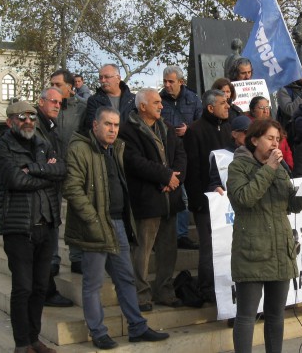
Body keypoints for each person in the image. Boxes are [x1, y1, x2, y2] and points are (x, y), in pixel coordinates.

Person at [63, 107, 169, 349]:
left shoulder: (116, 148)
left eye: (116, 125)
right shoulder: (80, 148)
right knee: (93, 283)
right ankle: (98, 332)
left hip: (118, 223)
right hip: (94, 226)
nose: (112, 129)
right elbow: (72, 189)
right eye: (108, 124)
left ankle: (137, 327)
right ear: (95, 126)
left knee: (125, 278)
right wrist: (93, 219)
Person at [227, 118, 302, 353]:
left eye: (278, 139)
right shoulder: (238, 166)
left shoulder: (280, 168)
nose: (274, 143)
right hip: (252, 250)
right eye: (270, 138)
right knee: (247, 315)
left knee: (275, 314)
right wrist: (269, 168)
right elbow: (244, 199)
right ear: (254, 140)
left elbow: (292, 204)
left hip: (280, 249)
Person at [0, 101, 65, 353]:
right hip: (19, 228)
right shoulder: (2, 146)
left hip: (46, 225)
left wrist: (34, 169)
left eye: (32, 117)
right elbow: (14, 179)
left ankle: (34, 338)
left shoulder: (42, 144)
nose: (28, 121)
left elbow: (61, 169)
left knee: (40, 287)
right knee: (23, 288)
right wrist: (47, 177)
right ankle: (22, 344)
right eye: (21, 117)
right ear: (9, 121)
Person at [118, 88, 186, 311]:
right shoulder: (128, 130)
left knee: (168, 250)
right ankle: (141, 295)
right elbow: (134, 162)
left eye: (160, 102)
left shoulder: (165, 127)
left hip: (170, 199)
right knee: (143, 251)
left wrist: (175, 177)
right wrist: (165, 177)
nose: (161, 105)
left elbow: (180, 155)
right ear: (143, 106)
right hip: (148, 200)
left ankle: (164, 291)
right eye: (156, 102)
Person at [183, 89, 233, 302]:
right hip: (206, 202)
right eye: (223, 103)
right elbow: (192, 170)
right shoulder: (195, 131)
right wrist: (199, 202)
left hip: (230, 201)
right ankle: (206, 289)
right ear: (211, 107)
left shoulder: (230, 128)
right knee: (209, 249)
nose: (228, 106)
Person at [33, 87, 74, 308]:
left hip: (50, 195)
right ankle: (46, 293)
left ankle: (46, 291)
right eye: (53, 101)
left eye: (60, 102)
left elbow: (58, 165)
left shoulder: (51, 128)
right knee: (43, 251)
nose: (57, 105)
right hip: (38, 201)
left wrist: (53, 166)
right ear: (41, 102)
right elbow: (37, 167)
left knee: (47, 248)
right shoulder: (35, 128)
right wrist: (51, 167)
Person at [160, 65, 202, 251]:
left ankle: (182, 234)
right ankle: (173, 234)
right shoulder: (159, 100)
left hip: (189, 154)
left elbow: (201, 122)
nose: (167, 85)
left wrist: (189, 129)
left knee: (185, 196)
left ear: (181, 82)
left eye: (171, 81)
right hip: (168, 154)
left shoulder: (193, 99)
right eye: (165, 81)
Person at [49, 68, 87, 274]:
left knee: (77, 213)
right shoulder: (46, 106)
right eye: (51, 84)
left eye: (57, 85)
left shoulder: (83, 108)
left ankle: (77, 257)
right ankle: (52, 259)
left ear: (70, 87)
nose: (53, 88)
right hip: (52, 169)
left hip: (75, 168)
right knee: (52, 215)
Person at [81, 63, 136, 134]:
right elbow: (92, 126)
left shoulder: (133, 100)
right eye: (101, 78)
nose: (103, 80)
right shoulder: (94, 100)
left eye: (107, 77)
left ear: (118, 79)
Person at [208, 115, 251, 195]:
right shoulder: (219, 156)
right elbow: (214, 182)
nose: (250, 136)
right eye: (246, 132)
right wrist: (215, 188)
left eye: (253, 132)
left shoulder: (258, 153)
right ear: (234, 134)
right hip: (229, 204)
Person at [248, 96, 293, 171]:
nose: (265, 111)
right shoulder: (250, 129)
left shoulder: (274, 126)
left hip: (282, 167)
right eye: (261, 108)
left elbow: (286, 148)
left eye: (267, 107)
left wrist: (288, 165)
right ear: (253, 110)